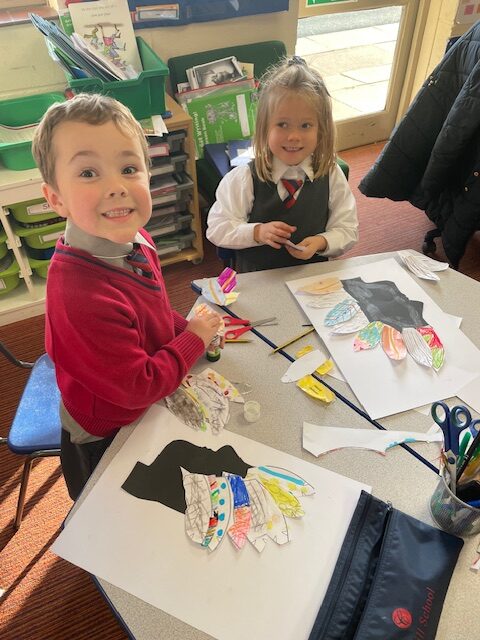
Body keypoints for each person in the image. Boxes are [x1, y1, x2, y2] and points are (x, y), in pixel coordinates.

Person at [31, 93, 223, 500]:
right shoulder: (80, 294)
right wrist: (194, 340)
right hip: (104, 433)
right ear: (55, 199)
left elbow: (150, 310)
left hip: (141, 404)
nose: (117, 187)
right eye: (88, 173)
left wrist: (185, 328)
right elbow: (138, 386)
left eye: (129, 168)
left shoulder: (137, 240)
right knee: (117, 527)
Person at [206, 56, 358, 272]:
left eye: (305, 125)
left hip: (311, 280)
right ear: (265, 128)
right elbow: (217, 228)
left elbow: (347, 229)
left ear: (321, 130)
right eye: (282, 124)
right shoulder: (244, 178)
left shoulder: (331, 175)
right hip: (257, 281)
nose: (294, 136)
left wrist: (321, 242)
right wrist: (256, 232)